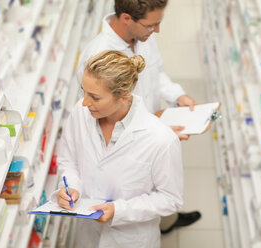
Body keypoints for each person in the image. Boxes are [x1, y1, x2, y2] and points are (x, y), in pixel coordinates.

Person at [76, 0, 201, 233]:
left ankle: (167, 223)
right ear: (126, 18)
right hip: (128, 148)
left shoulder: (143, 36)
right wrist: (155, 132)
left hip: (153, 127)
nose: (157, 31)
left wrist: (178, 95)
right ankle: (162, 225)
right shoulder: (98, 56)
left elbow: (156, 72)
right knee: (137, 203)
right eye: (151, 25)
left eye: (158, 23)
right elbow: (98, 116)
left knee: (161, 191)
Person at [55, 50, 183, 248]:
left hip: (131, 239)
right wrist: (71, 187)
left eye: (95, 97)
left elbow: (170, 198)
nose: (85, 102)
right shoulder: (80, 113)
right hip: (88, 232)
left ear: (124, 96)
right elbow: (68, 160)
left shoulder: (160, 138)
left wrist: (119, 210)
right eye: (84, 92)